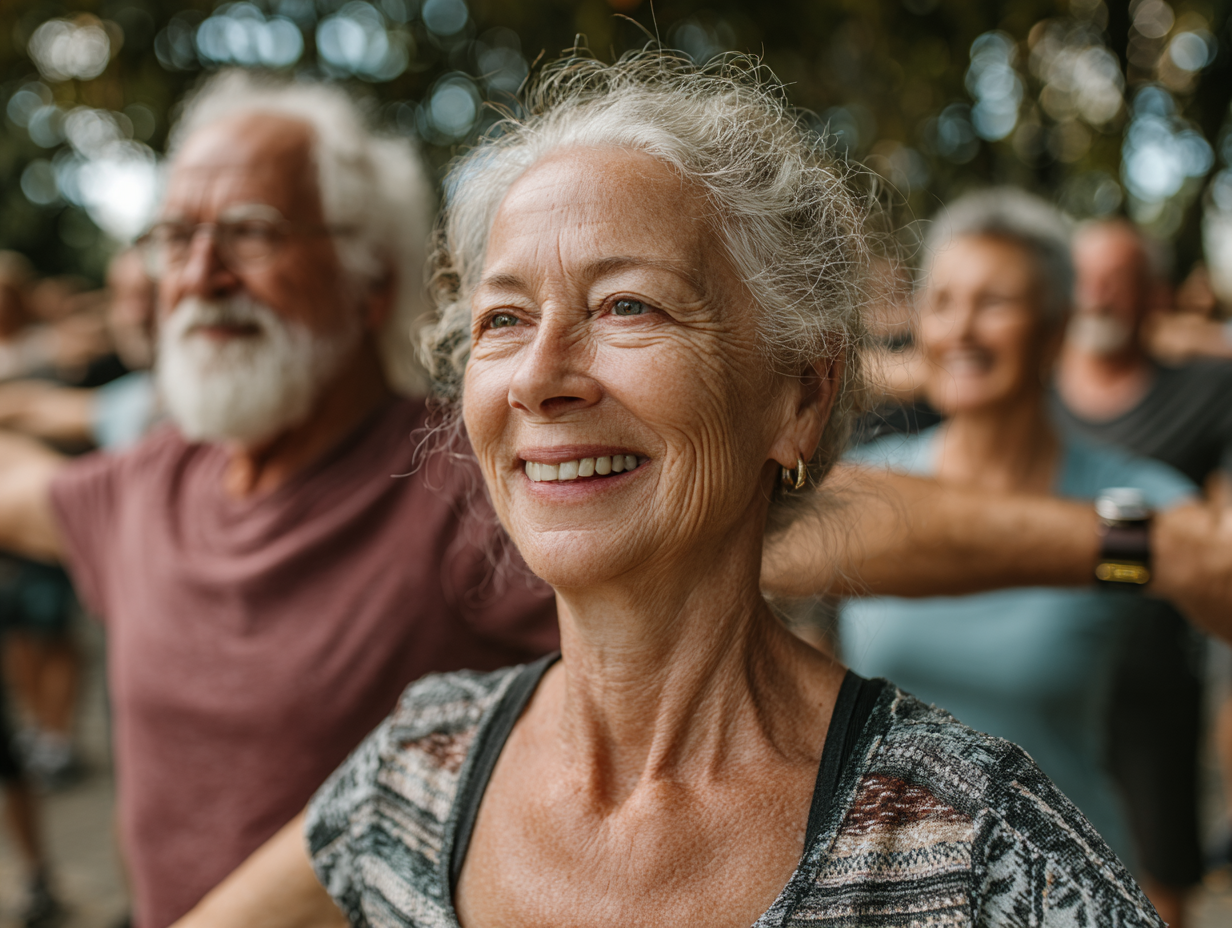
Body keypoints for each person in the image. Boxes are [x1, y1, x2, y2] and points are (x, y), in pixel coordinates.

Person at [175, 53, 1161, 928]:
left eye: (626, 305)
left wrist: (1149, 545)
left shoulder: (975, 845)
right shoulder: (417, 771)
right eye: (503, 318)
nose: (539, 375)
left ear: (799, 395)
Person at [0, 71, 560, 928]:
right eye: (176, 236)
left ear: (369, 280)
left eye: (251, 232)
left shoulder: (466, 476)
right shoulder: (158, 475)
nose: (200, 272)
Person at [837, 189, 1196, 869]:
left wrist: (1124, 548)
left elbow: (1199, 560)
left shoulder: (1126, 498)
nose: (961, 329)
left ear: (1057, 330)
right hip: (887, 892)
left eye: (994, 303)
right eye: (941, 302)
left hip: (1064, 888)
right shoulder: (867, 482)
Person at [1054, 219, 1232, 922]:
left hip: (1153, 683)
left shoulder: (1204, 393)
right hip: (1038, 672)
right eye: (1084, 278)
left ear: (1151, 296)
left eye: (1117, 281)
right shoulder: (1026, 388)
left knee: (1157, 880)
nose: (1097, 295)